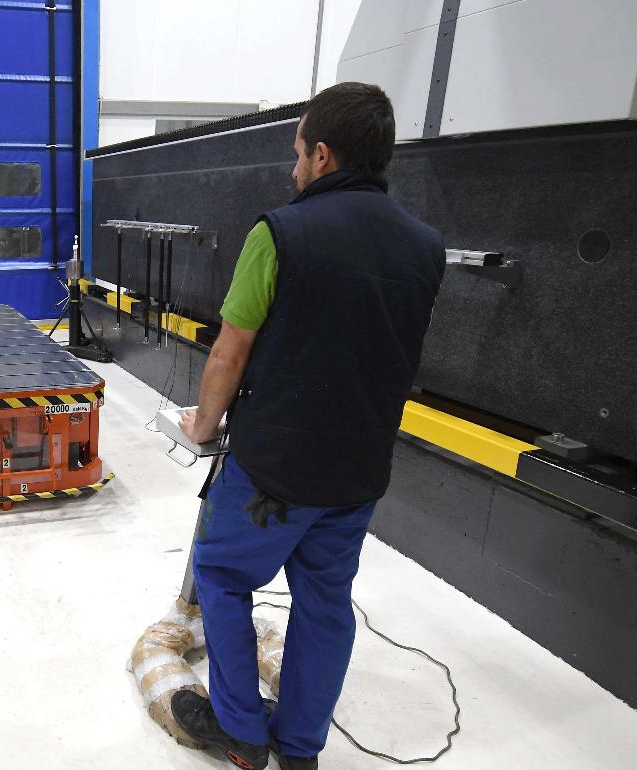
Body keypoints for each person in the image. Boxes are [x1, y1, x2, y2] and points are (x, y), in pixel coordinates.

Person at [170, 82, 445, 770]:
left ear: (322, 155)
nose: (293, 171)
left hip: (273, 469)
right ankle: (299, 748)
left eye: (297, 154)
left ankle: (240, 732)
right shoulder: (425, 246)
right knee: (325, 602)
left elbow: (231, 350)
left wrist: (203, 424)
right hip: (358, 473)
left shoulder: (279, 233)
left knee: (223, 576)